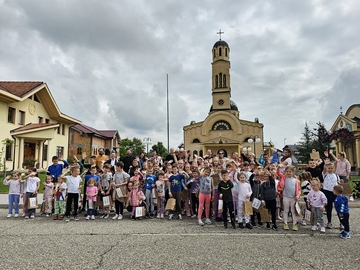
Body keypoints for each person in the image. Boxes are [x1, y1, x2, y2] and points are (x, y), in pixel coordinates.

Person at [277, 165, 301, 231]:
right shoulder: (284, 178)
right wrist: (278, 167)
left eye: (290, 171)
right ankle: (285, 223)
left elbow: (298, 190)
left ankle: (294, 224)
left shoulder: (296, 181)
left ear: (293, 172)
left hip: (293, 198)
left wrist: (297, 196)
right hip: (285, 197)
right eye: (287, 171)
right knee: (285, 210)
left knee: (294, 211)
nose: (288, 173)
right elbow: (278, 173)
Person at [322, 161, 341, 229]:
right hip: (327, 192)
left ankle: (341, 222)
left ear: (334, 168)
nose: (330, 169)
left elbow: (339, 184)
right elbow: (324, 171)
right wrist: (325, 165)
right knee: (329, 208)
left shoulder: (336, 175)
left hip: (335, 193)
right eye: (329, 168)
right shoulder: (325, 174)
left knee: (338, 207)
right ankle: (329, 222)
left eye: (331, 168)